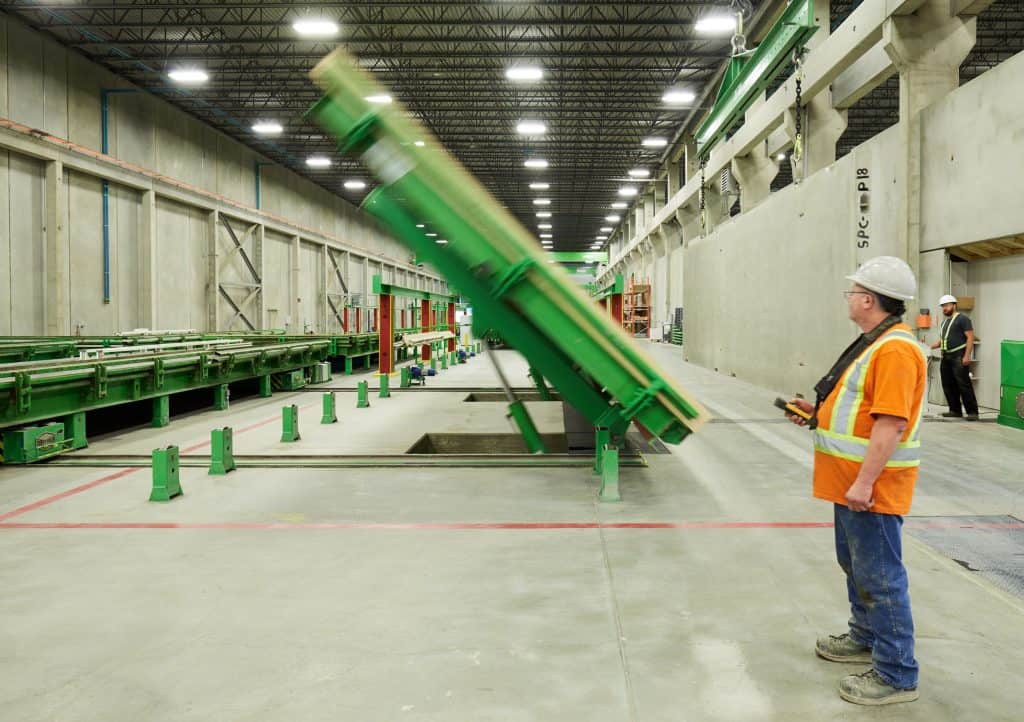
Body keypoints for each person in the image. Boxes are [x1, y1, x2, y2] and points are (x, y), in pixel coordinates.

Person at [786, 256, 926, 706]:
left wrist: (865, 484)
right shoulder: (874, 344)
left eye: (853, 292)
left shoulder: (896, 350)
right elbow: (861, 414)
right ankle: (865, 636)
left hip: (871, 490)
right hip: (847, 483)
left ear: (868, 299)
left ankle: (896, 673)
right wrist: (816, 414)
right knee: (857, 567)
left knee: (880, 577)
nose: (849, 298)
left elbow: (890, 424)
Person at [930, 294, 978, 420]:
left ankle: (972, 412)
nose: (944, 308)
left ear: (954, 305)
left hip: (958, 356)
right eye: (943, 306)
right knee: (948, 384)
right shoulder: (944, 322)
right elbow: (941, 341)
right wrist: (927, 347)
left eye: (946, 306)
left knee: (963, 384)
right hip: (946, 357)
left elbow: (970, 337)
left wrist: (967, 356)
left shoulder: (963, 319)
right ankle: (955, 410)